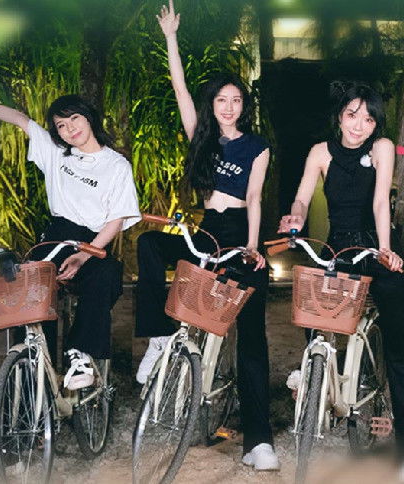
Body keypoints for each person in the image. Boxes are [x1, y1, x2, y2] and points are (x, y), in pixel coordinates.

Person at [134, 0, 276, 471]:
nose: (229, 107)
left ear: (244, 106)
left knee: (251, 337)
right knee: (150, 243)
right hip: (207, 231)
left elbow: (254, 196)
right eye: (222, 100)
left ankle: (259, 443)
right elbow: (179, 87)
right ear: (212, 105)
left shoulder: (257, 146)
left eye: (236, 100)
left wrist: (252, 245)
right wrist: (171, 38)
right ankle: (159, 338)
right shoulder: (203, 136)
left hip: (240, 232)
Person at [278, 80, 404, 477]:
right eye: (352, 115)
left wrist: (385, 249)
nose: (359, 125)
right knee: (314, 306)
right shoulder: (320, 152)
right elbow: (302, 197)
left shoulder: (381, 148)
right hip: (338, 247)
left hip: (376, 245)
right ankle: (315, 373)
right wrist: (294, 217)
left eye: (368, 119)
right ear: (339, 117)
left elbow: (380, 202)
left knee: (399, 340)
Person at [0, 95, 140, 390]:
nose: (70, 129)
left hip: (93, 240)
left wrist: (85, 255)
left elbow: (116, 220)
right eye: (61, 125)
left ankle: (80, 352)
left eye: (74, 119)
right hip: (57, 234)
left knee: (108, 273)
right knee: (33, 282)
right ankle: (30, 368)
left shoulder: (116, 165)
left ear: (88, 117)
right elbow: (20, 118)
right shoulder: (56, 153)